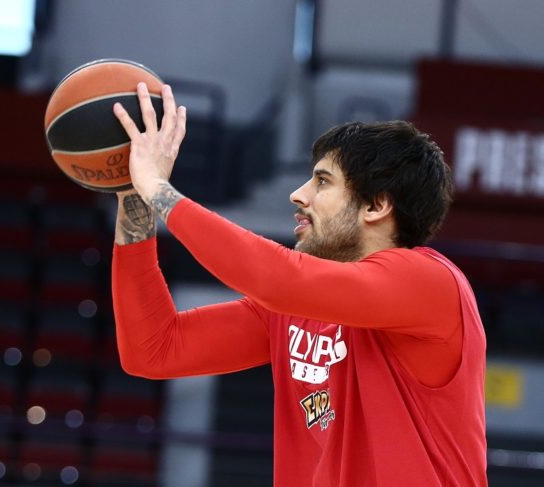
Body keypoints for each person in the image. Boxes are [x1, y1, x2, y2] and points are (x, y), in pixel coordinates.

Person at [110, 82, 487, 486]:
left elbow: (277, 278)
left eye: (322, 182)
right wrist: (134, 199)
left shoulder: (429, 283)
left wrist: (160, 192)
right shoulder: (294, 309)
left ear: (376, 205)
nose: (297, 195)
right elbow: (155, 349)